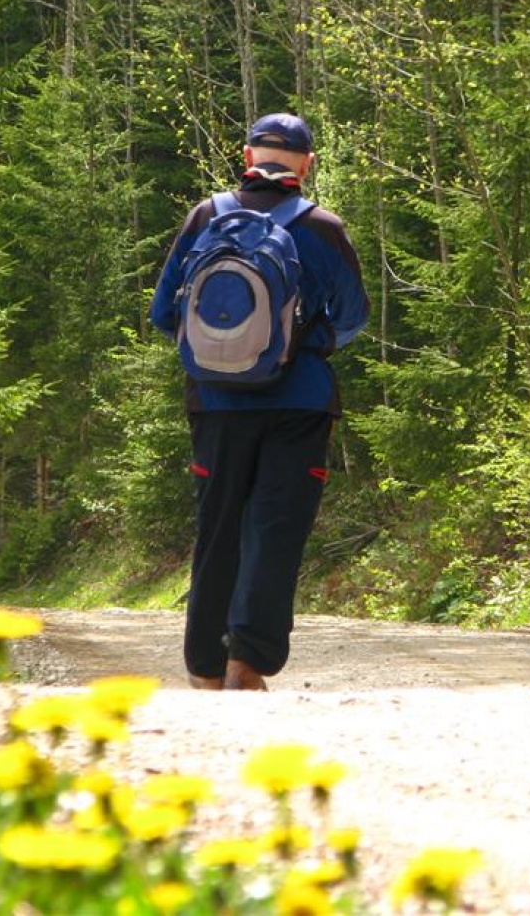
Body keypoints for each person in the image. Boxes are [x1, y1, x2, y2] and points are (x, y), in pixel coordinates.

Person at [149, 112, 370, 691]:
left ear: (248, 157)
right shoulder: (323, 227)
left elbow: (163, 314)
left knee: (217, 526)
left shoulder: (207, 215)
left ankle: (203, 667)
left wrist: (221, 352)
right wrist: (298, 345)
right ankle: (247, 662)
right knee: (275, 529)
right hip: (299, 405)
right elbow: (352, 318)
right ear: (307, 163)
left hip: (216, 404)